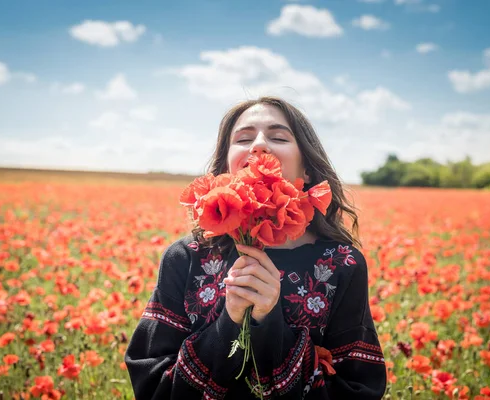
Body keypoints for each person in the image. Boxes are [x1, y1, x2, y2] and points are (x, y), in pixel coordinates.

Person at [124, 96, 387, 399]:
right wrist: (229, 321)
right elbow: (151, 386)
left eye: (278, 137)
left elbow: (359, 390)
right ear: (225, 167)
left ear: (308, 171)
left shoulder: (342, 264)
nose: (259, 145)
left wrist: (270, 322)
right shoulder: (186, 256)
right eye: (244, 138)